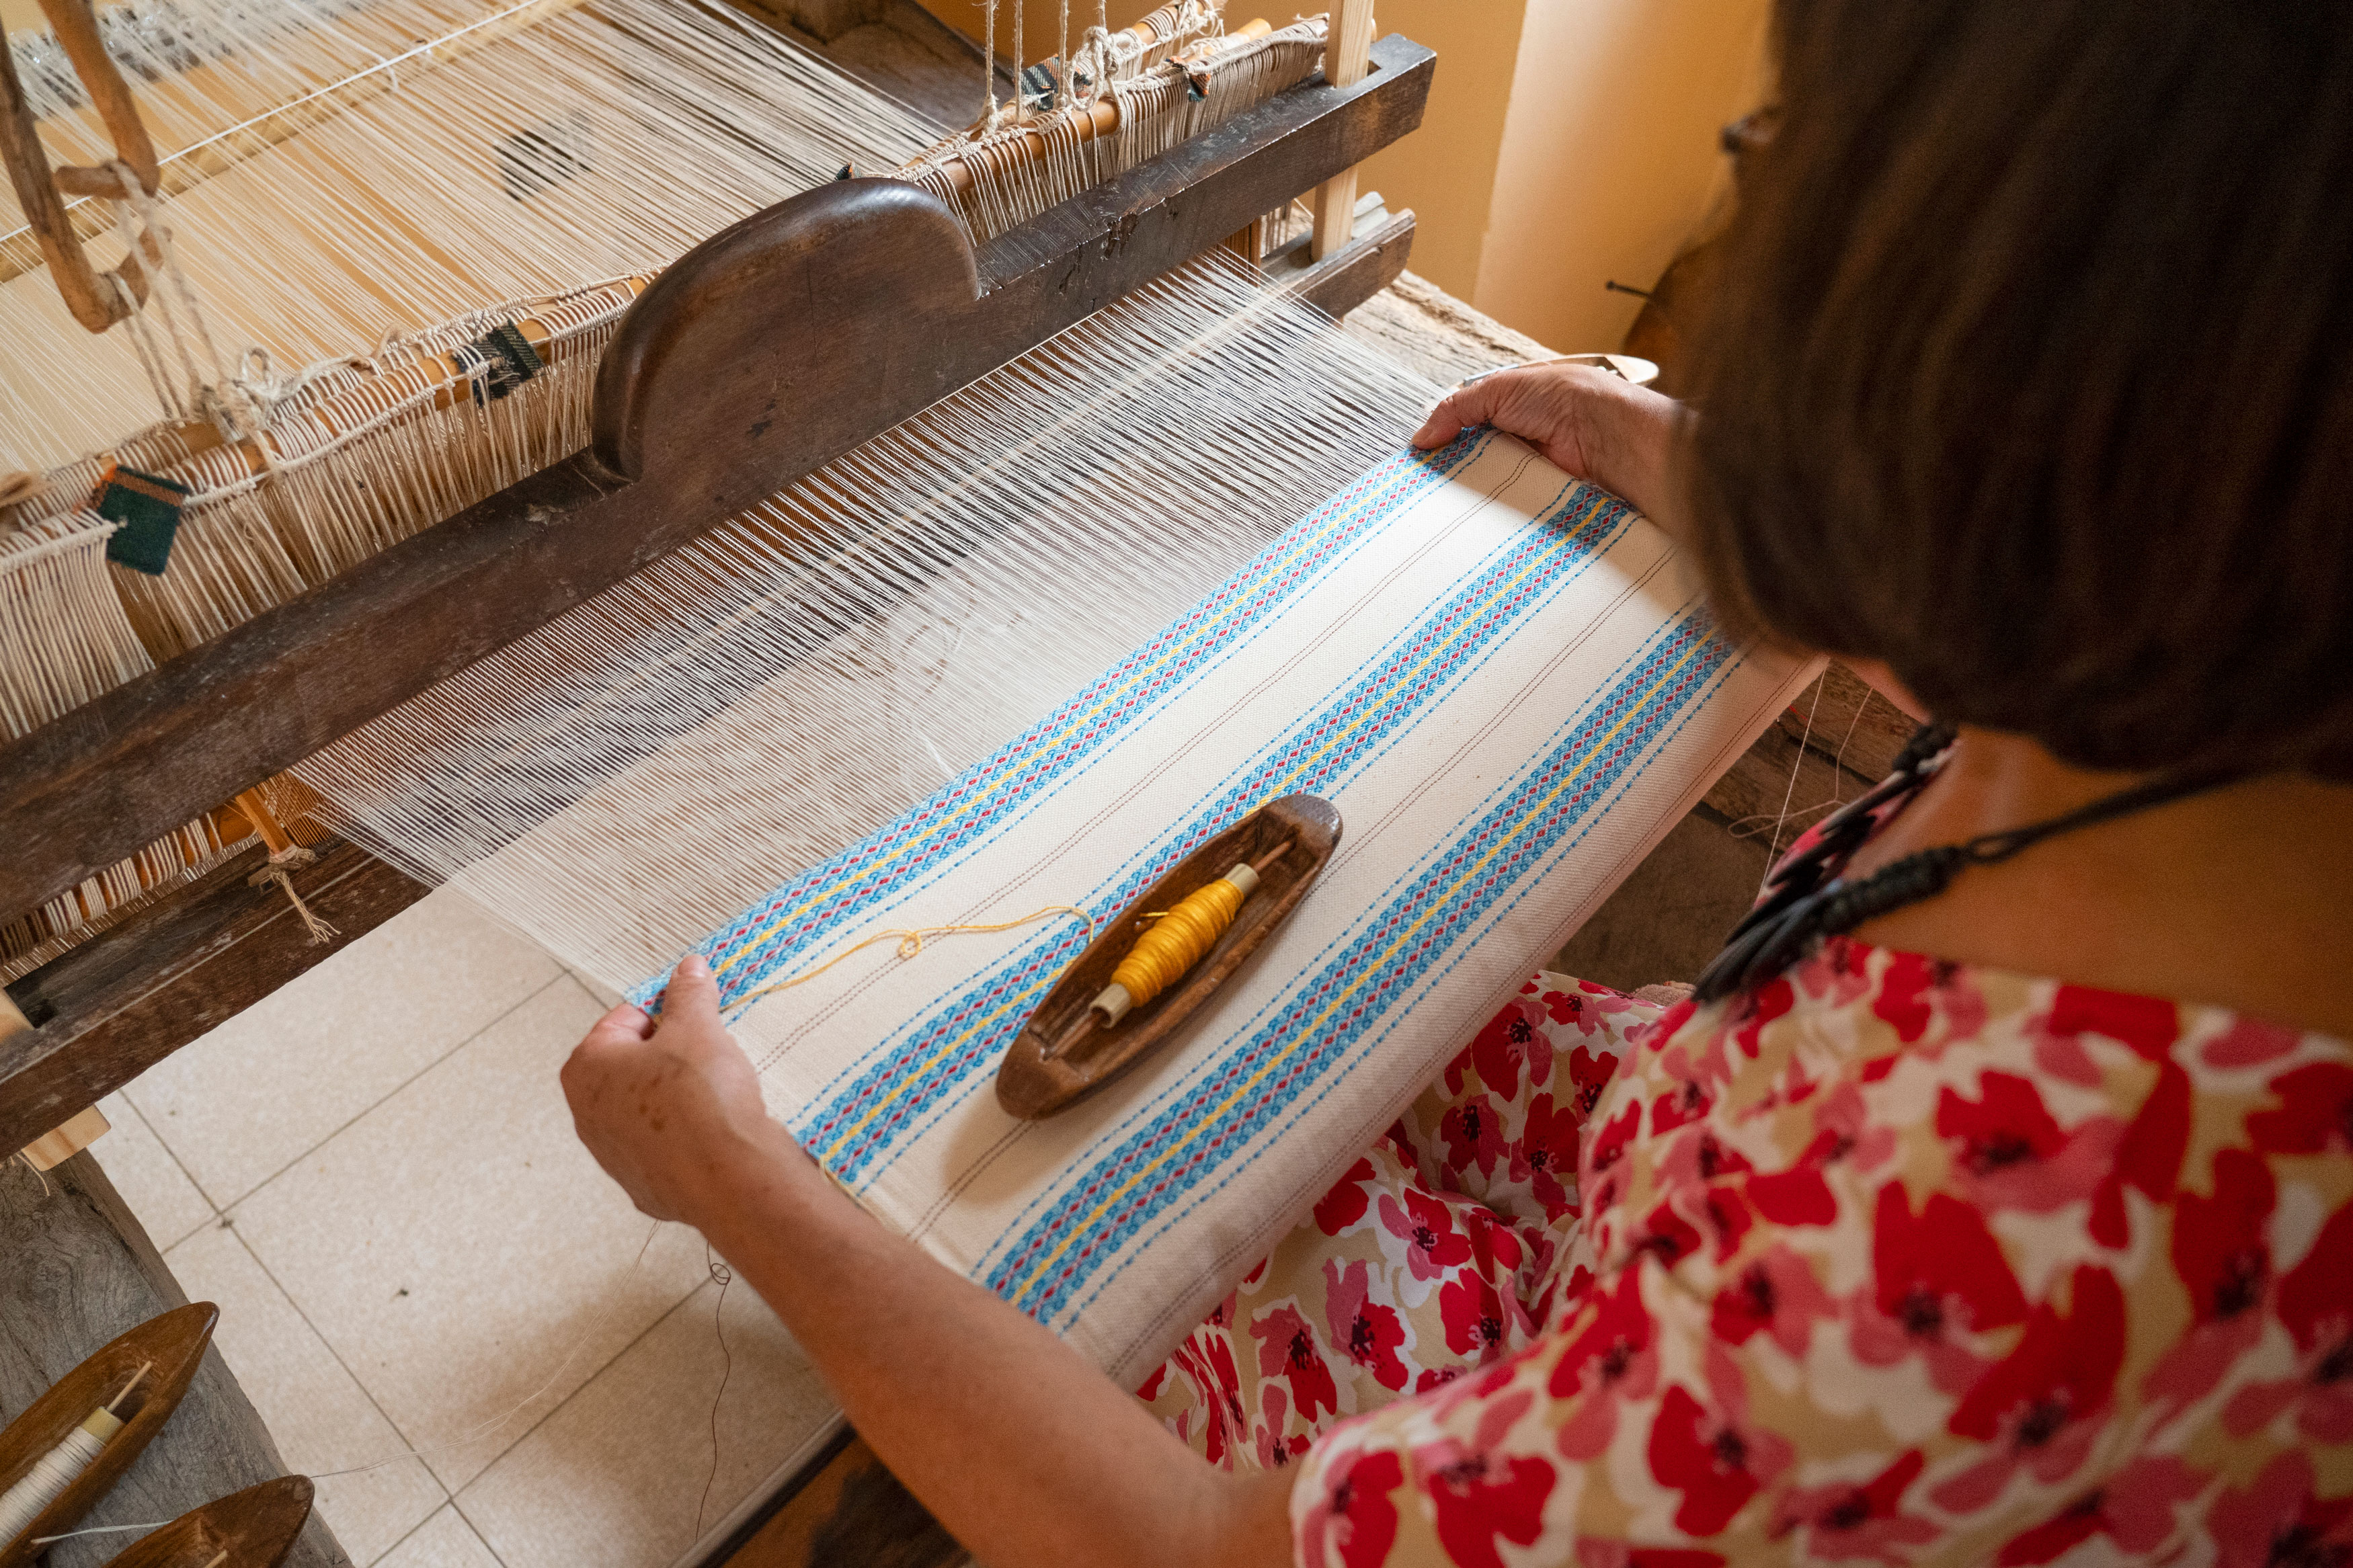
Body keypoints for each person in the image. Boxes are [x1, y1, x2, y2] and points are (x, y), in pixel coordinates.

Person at [559, 0, 2353, 1561]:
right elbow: (2020, 657)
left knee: (1103, 1242)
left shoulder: (1941, 1244)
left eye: (1797, 159)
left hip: (1707, 1399)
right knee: (1310, 1008)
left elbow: (1191, 1549)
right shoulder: (2244, 725)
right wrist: (1673, 458)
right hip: (1709, 1173)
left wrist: (741, 1182)